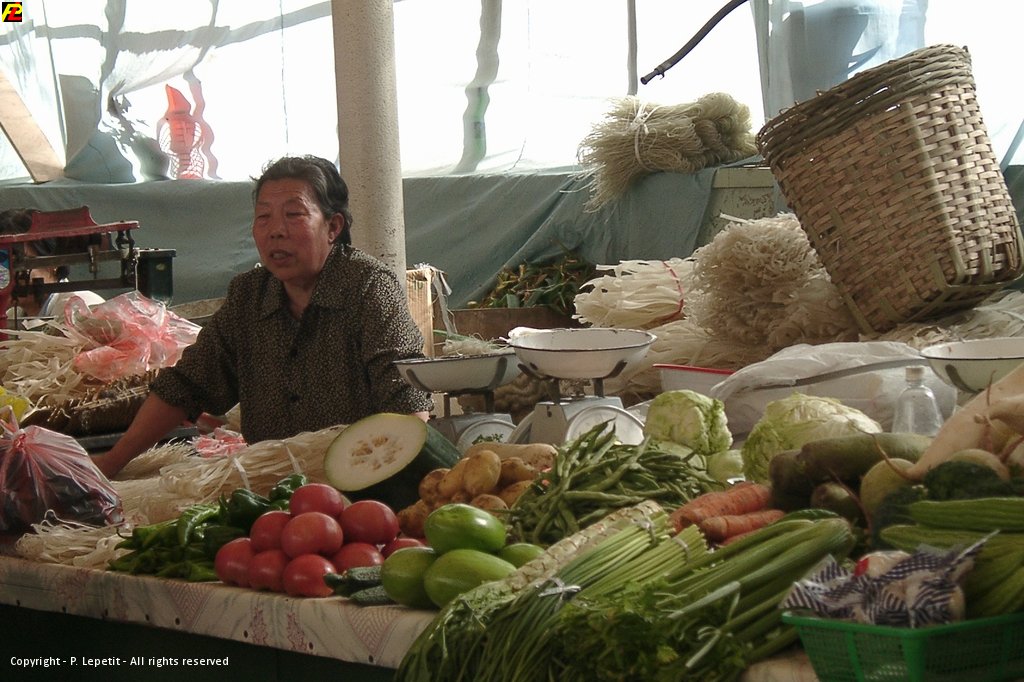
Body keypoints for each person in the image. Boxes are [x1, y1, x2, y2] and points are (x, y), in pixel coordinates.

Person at [92, 155, 433, 478]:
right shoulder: (249, 296)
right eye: (264, 217)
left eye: (294, 215)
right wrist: (110, 463)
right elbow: (186, 385)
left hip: (363, 477)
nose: (275, 231)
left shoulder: (368, 287)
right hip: (275, 483)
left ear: (332, 227)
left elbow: (407, 397)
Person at [1, 208, 105, 326]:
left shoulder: (83, 310)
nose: (3, 276)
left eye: (16, 262)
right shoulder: (12, 316)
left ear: (54, 262)